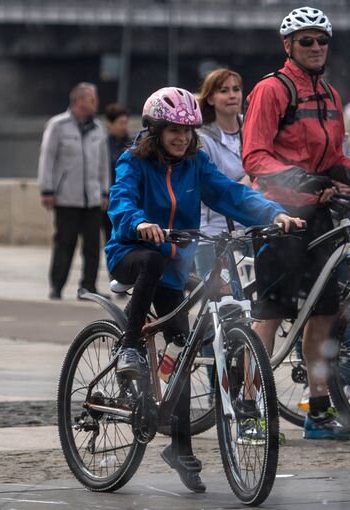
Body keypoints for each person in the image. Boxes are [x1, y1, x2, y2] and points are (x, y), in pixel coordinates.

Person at [105, 87, 303, 492]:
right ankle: (129, 344)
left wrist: (275, 213)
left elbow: (231, 192)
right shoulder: (133, 161)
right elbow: (121, 201)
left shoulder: (195, 163)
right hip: (133, 252)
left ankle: (180, 448)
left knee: (182, 347)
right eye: (174, 130)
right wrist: (140, 223)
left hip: (175, 264)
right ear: (156, 129)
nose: (182, 138)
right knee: (155, 258)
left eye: (189, 131)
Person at [243, 6, 350, 440]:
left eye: (322, 40)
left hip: (321, 214)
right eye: (307, 40)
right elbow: (255, 157)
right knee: (270, 313)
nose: (317, 47)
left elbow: (335, 159)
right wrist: (301, 179)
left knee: (323, 314)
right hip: (280, 217)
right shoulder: (273, 90)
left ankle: (318, 412)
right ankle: (251, 409)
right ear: (288, 46)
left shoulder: (331, 95)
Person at [38, 82, 109, 300]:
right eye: (92, 98)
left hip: (92, 199)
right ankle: (57, 285)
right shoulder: (58, 125)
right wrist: (47, 189)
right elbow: (47, 158)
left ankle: (88, 287)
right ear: (79, 101)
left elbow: (103, 164)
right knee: (64, 243)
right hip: (66, 197)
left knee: (91, 246)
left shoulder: (98, 128)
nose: (96, 103)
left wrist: (105, 191)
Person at [194, 68, 250, 276]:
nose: (232, 95)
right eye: (224, 91)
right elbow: (210, 186)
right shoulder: (201, 137)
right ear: (210, 98)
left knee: (252, 304)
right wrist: (249, 178)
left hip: (251, 228)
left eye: (236, 89)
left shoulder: (253, 127)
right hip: (213, 233)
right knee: (220, 304)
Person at [102, 102, 132, 244]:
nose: (124, 126)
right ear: (110, 124)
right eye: (120, 123)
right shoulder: (102, 145)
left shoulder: (132, 145)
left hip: (128, 197)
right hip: (108, 198)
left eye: (125, 122)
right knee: (110, 237)